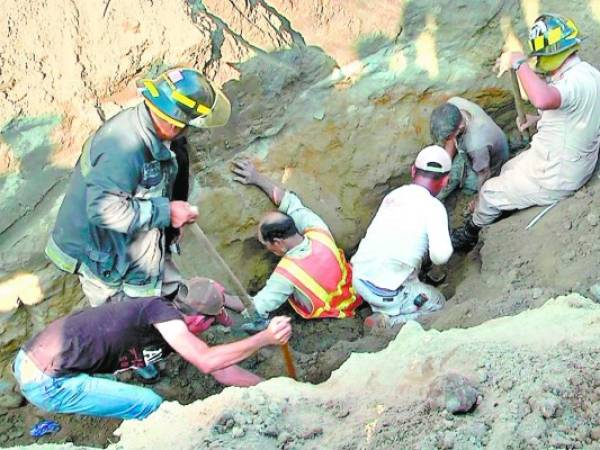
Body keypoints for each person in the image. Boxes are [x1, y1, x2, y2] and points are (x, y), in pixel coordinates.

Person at [45, 67, 232, 306]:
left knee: (155, 303)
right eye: (188, 126)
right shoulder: (123, 149)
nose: (188, 131)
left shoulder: (159, 135)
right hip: (104, 256)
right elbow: (106, 210)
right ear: (174, 125)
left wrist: (169, 228)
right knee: (122, 321)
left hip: (134, 244)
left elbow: (154, 188)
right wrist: (167, 212)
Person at [12, 277, 292, 420]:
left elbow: (222, 369)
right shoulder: (162, 316)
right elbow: (207, 361)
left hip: (44, 358)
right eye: (213, 322)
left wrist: (273, 388)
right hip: (46, 379)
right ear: (196, 319)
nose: (214, 327)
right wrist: (263, 339)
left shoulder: (172, 318)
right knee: (151, 405)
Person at [452, 14, 600, 251]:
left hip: (557, 176)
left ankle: (471, 232)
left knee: (489, 192)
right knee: (509, 168)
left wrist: (519, 63)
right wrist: (537, 118)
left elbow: (542, 98)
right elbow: (575, 110)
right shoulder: (590, 74)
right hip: (563, 159)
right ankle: (508, 202)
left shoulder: (571, 84)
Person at [231, 159, 362, 332]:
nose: (266, 249)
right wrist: (256, 178)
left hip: (333, 315)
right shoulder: (317, 230)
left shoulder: (287, 273)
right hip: (356, 291)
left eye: (265, 244)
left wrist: (221, 299)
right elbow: (290, 202)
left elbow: (257, 306)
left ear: (277, 243)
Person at [351, 145, 453, 329]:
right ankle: (388, 322)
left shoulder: (394, 195)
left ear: (413, 170)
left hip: (359, 278)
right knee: (439, 303)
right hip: (389, 292)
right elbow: (441, 256)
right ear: (446, 180)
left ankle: (386, 307)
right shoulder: (434, 208)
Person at [430, 97, 509, 202]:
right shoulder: (454, 104)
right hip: (482, 147)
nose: (447, 140)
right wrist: (446, 164)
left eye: (448, 137)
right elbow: (451, 139)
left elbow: (484, 173)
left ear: (460, 128)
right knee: (449, 172)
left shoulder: (475, 144)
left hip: (492, 165)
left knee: (465, 183)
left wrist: (479, 200)